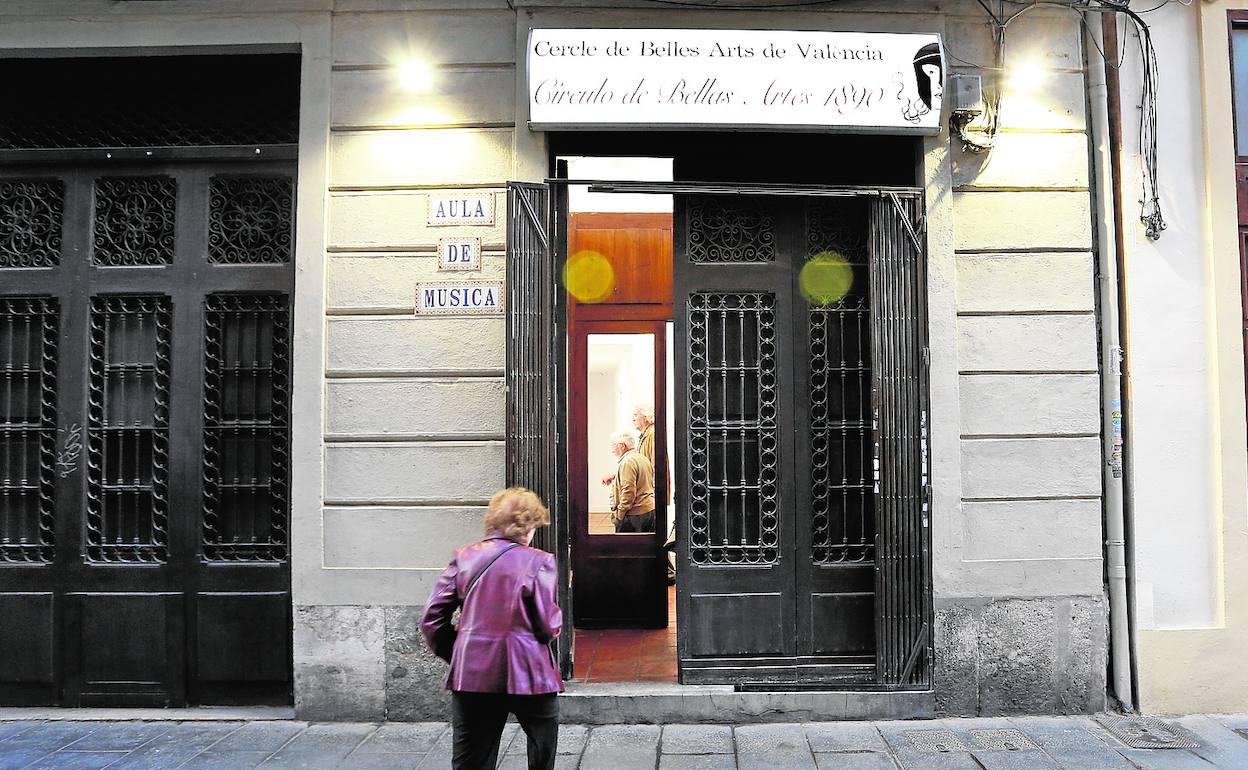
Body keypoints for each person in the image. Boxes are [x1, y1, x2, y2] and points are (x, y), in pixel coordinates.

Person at [420, 487, 562, 770]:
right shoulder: (540, 561)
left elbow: (432, 618)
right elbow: (548, 625)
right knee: (542, 748)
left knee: (471, 760)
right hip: (530, 673)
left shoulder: (465, 558)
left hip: (473, 675)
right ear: (527, 525)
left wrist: (462, 654)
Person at [608, 429, 656, 533]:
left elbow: (628, 491)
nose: (612, 449)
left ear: (622, 446)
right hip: (647, 510)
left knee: (627, 548)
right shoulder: (641, 458)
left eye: (613, 445)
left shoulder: (627, 462)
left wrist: (620, 515)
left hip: (634, 515)